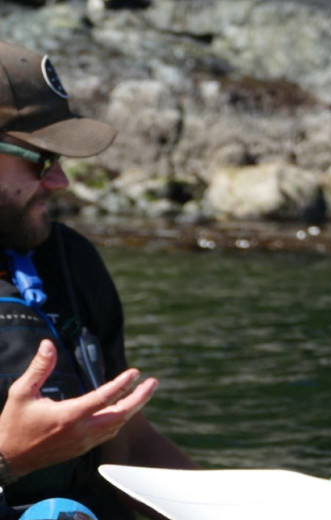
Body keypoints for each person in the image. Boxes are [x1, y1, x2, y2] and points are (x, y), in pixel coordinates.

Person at [0, 40, 195, 519]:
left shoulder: (68, 259)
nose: (61, 181)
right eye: (41, 160)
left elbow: (126, 445)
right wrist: (9, 460)